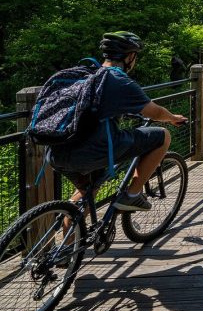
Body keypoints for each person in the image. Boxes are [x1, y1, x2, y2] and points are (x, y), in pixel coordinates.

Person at [49, 31, 187, 211]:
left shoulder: (88, 75)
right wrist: (172, 118)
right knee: (163, 136)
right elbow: (155, 112)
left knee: (86, 195)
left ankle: (68, 238)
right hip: (92, 152)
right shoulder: (118, 80)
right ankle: (132, 195)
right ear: (130, 57)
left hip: (56, 151)